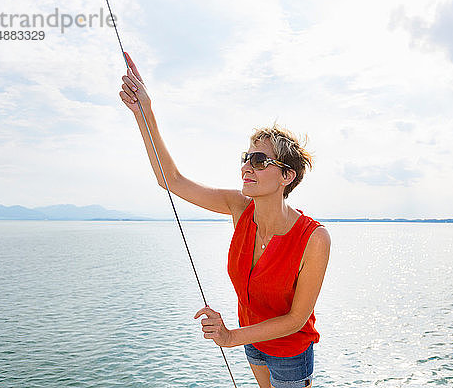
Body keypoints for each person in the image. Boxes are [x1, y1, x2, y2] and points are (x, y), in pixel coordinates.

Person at [119, 52, 331, 388]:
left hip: (289, 351)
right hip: (250, 341)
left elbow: (296, 319)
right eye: (247, 157)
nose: (247, 165)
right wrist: (144, 113)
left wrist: (231, 336)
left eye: (260, 160)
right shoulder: (238, 207)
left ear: (287, 176)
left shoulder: (314, 238)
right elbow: (170, 179)